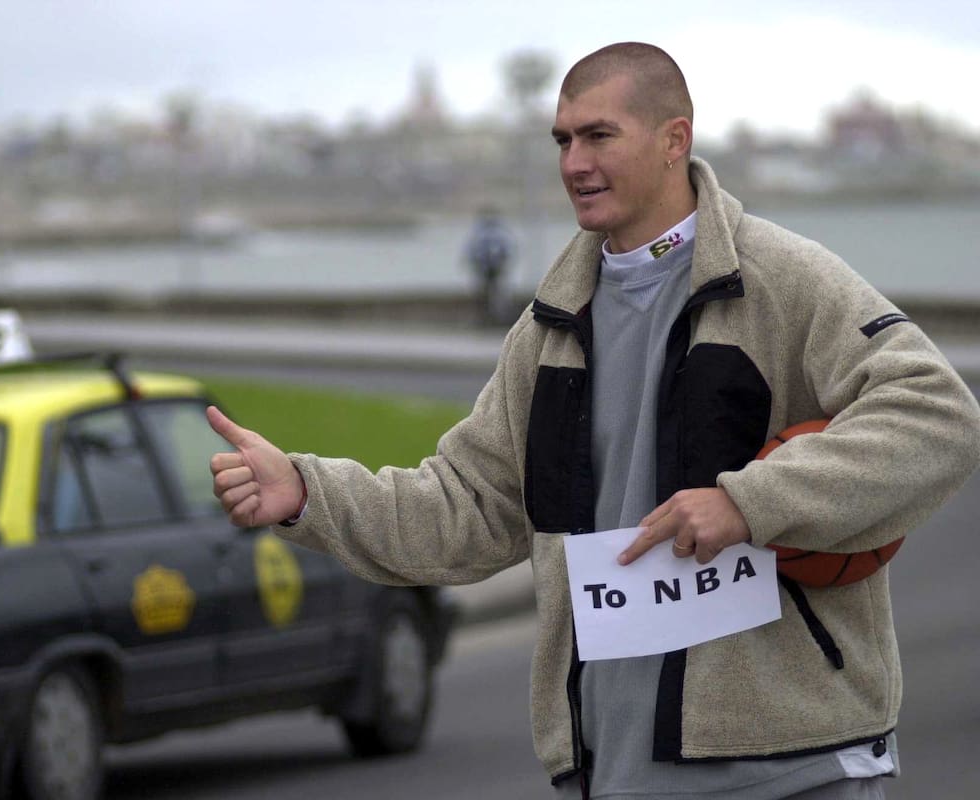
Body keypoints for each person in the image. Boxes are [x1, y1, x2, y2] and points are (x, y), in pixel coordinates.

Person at [206, 42, 980, 799]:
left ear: (675, 139)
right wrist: (307, 492)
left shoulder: (782, 278)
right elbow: (468, 508)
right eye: (562, 139)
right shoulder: (548, 326)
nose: (574, 161)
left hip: (793, 767)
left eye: (599, 135)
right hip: (612, 769)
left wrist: (750, 503)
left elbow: (936, 413)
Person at [464, 206, 515, 325]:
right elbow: (507, 250)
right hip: (488, 268)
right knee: (489, 293)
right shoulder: (497, 232)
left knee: (492, 293)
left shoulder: (479, 233)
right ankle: (488, 317)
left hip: (490, 268)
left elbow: (471, 251)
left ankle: (491, 317)